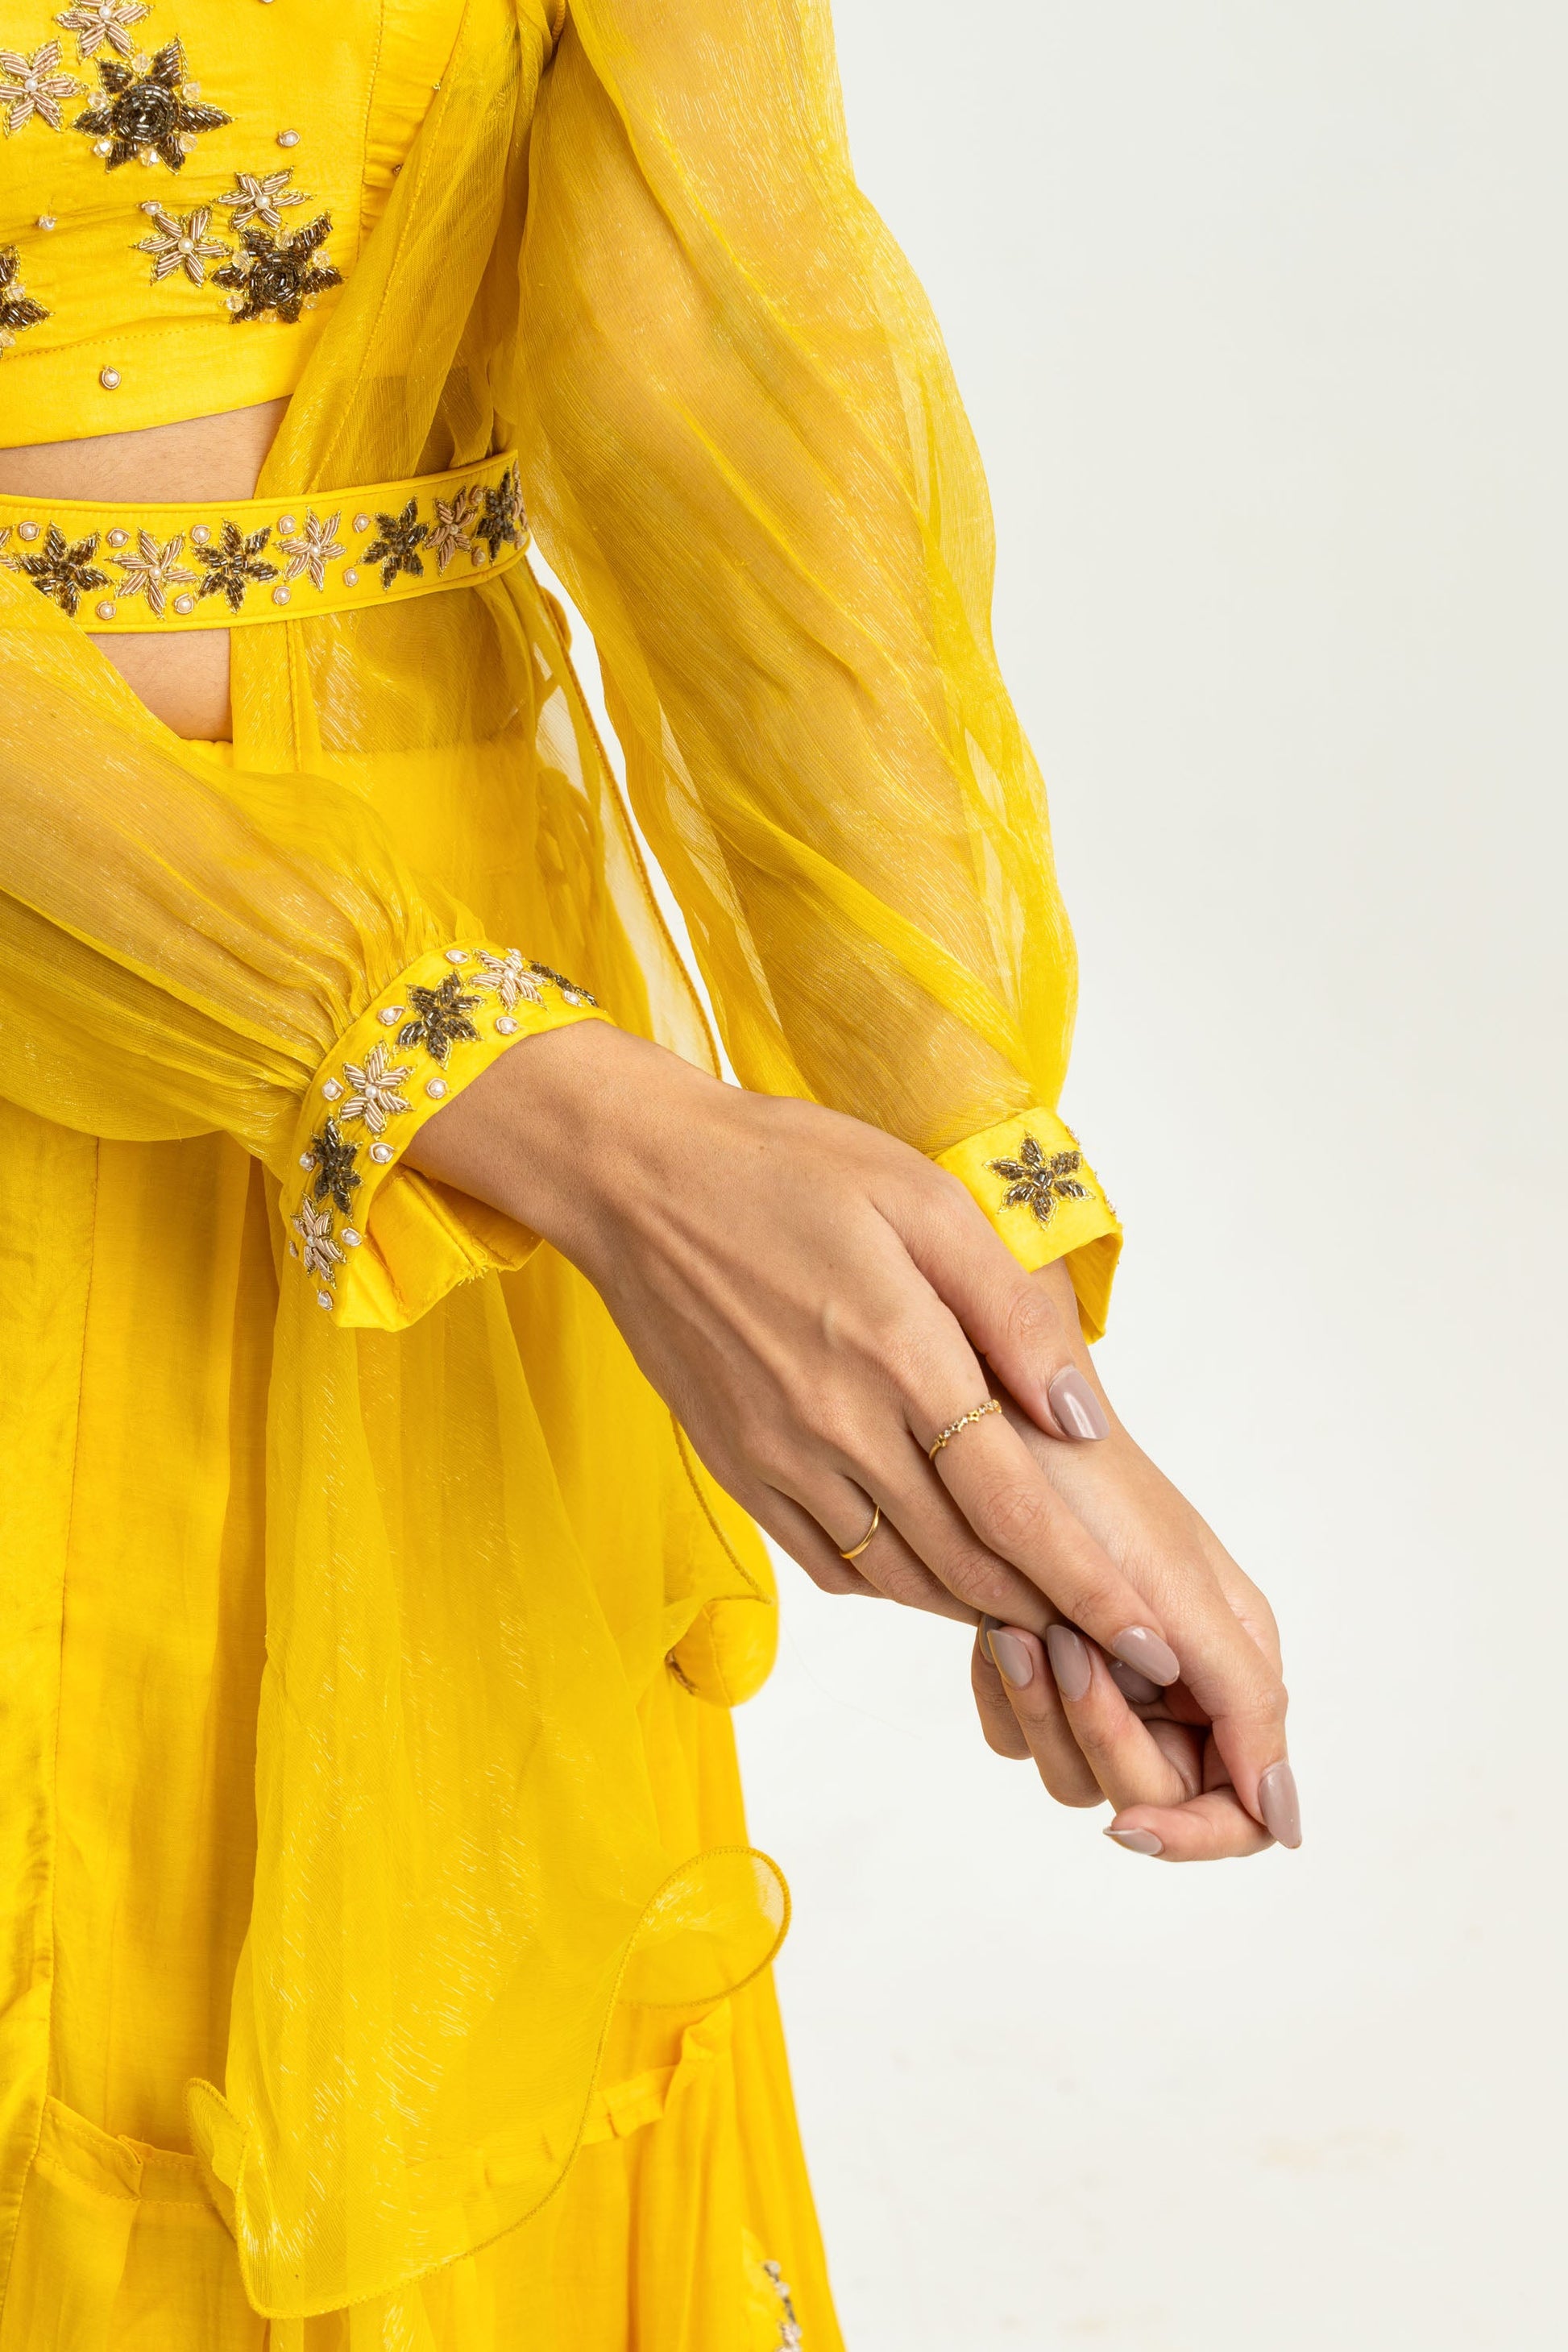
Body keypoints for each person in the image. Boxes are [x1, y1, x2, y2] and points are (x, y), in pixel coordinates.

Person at [0, 2, 1296, 2344]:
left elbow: (735, 381)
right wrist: (549, 1118)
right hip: (440, 1115)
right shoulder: (568, 1127)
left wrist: (976, 1341)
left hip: (431, 1233)